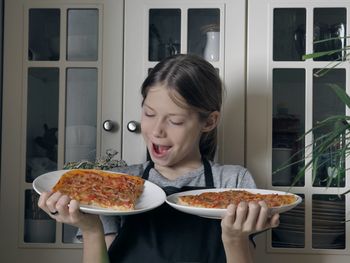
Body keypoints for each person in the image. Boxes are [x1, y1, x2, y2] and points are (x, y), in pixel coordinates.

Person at [38, 54, 280, 263]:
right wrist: (91, 229)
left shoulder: (232, 181)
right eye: (149, 113)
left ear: (209, 121)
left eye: (174, 121)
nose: (156, 131)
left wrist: (234, 238)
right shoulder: (118, 183)